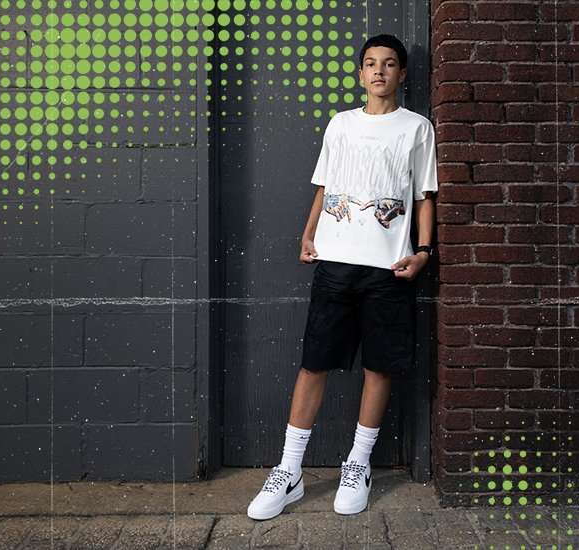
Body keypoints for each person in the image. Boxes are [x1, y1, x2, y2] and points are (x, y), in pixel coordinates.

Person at [247, 33, 438, 521]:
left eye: (390, 64)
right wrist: (308, 234)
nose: (379, 71)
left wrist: (423, 251)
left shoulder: (417, 128)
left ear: (402, 74)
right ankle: (289, 471)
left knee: (379, 366)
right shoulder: (341, 125)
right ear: (360, 73)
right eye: (371, 63)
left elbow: (423, 196)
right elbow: (325, 185)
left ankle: (359, 463)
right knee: (315, 362)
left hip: (389, 267)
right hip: (334, 263)